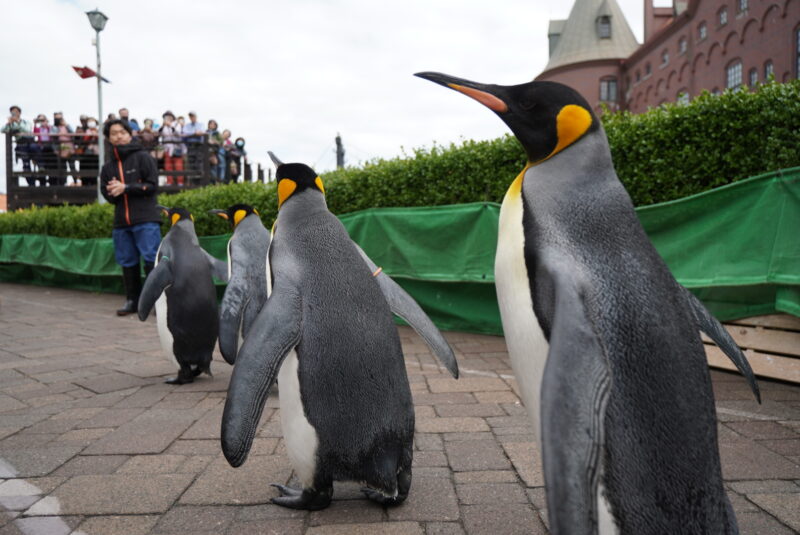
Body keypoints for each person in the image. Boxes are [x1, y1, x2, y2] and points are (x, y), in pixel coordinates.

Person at [100, 119, 161, 316]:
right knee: (127, 261)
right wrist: (112, 191)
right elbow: (107, 195)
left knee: (152, 259)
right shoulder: (108, 167)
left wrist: (126, 187)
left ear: (129, 134)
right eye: (114, 133)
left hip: (146, 219)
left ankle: (156, 302)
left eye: (122, 132)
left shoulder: (143, 157)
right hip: (121, 222)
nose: (118, 136)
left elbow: (152, 186)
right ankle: (132, 301)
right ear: (109, 138)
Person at [2, 105, 34, 186]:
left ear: (19, 113)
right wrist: (9, 123)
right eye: (12, 112)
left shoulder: (26, 122)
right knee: (26, 166)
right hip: (20, 146)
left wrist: (18, 122)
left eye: (16, 111)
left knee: (31, 164)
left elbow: (27, 130)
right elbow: (2, 130)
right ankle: (31, 183)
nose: (14, 113)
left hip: (30, 145)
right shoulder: (11, 123)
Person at [158, 111, 185, 186]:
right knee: (168, 166)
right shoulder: (163, 126)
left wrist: (171, 126)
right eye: (166, 117)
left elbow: (178, 134)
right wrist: (163, 126)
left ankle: (180, 182)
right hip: (167, 149)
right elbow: (159, 134)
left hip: (176, 149)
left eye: (169, 116)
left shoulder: (177, 124)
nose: (167, 118)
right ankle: (169, 182)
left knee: (178, 166)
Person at [182, 111, 205, 181]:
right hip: (190, 146)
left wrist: (191, 134)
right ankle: (192, 178)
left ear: (196, 117)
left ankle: (199, 177)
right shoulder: (187, 126)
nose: (192, 118)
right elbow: (185, 134)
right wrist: (195, 133)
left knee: (199, 161)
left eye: (193, 116)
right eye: (190, 116)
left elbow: (201, 132)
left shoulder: (201, 125)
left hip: (199, 146)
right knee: (191, 161)